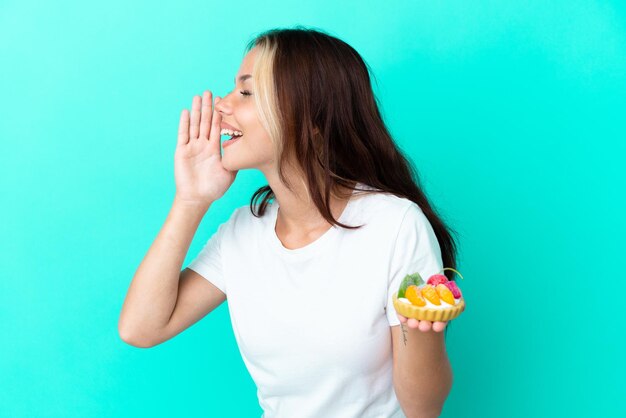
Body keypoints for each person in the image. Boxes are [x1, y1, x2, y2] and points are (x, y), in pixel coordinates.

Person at [119, 26, 459, 418]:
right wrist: (191, 199)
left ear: (311, 119)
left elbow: (423, 410)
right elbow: (140, 329)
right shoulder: (244, 231)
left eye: (246, 92)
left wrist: (422, 327)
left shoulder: (395, 225)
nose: (222, 106)